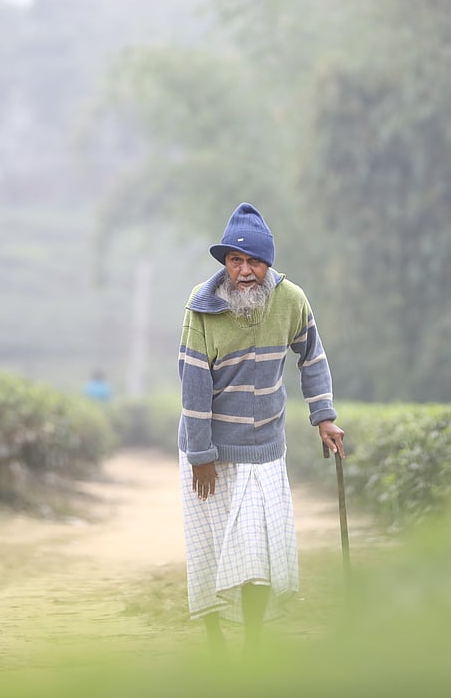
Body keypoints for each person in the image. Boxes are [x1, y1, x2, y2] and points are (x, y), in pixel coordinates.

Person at [177, 201, 345, 657]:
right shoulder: (201, 307)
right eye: (235, 260)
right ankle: (214, 640)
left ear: (268, 263)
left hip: (265, 447)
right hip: (209, 448)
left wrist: (324, 416)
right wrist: (200, 456)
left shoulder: (292, 301)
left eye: (254, 261)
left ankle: (252, 644)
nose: (244, 271)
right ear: (225, 263)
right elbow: (193, 384)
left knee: (257, 551)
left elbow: (312, 357)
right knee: (211, 547)